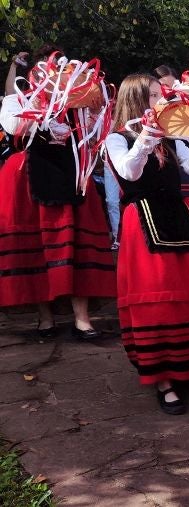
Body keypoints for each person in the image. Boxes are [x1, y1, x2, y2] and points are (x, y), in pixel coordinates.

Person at [104, 73, 189, 415]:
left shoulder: (174, 136)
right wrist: (146, 135)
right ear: (138, 99)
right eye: (155, 94)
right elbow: (129, 172)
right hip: (142, 219)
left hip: (177, 215)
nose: (163, 99)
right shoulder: (117, 137)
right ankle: (163, 378)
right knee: (155, 295)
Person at [0, 47, 115, 339]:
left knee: (75, 243)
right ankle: (45, 317)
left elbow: (101, 129)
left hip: (73, 177)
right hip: (28, 179)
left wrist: (89, 107)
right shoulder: (19, 99)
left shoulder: (78, 102)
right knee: (37, 249)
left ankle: (82, 318)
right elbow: (12, 124)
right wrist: (42, 117)